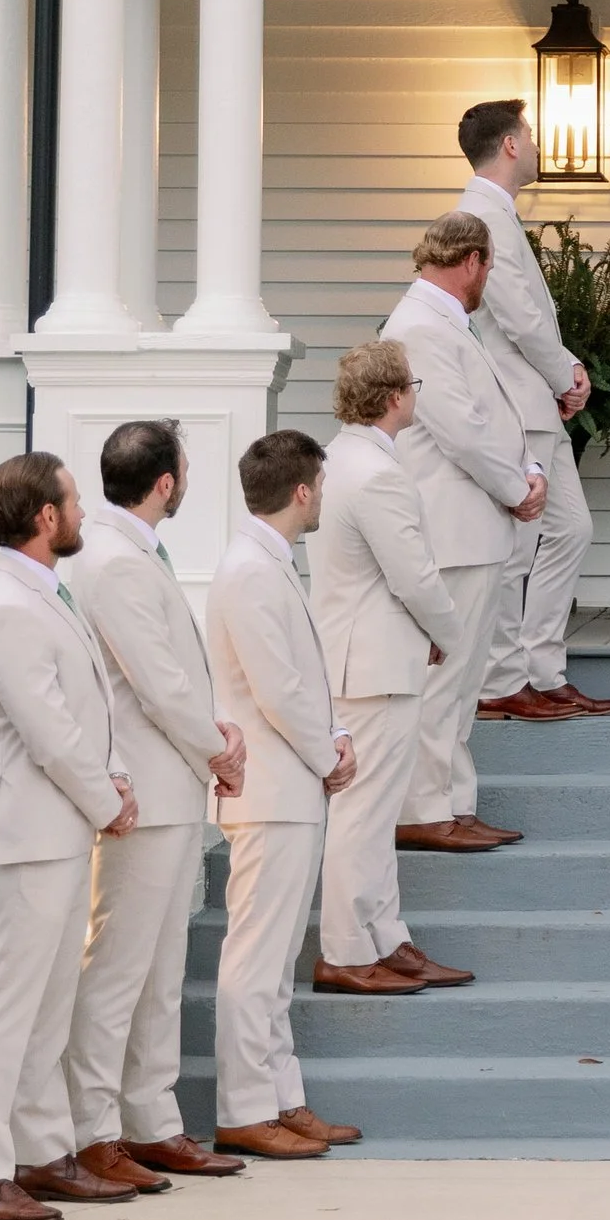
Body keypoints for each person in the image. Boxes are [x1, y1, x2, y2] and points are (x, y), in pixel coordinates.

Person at [0, 452, 138, 1220]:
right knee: (9, 1009)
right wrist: (107, 798)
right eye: (73, 499)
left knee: (50, 1007)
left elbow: (90, 706)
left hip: (62, 830)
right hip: (30, 832)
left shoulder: (46, 591)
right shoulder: (6, 605)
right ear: (44, 517)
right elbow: (49, 732)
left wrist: (115, 777)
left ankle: (41, 1152)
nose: (85, 510)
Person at [61, 419, 247, 1189]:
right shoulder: (114, 561)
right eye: (186, 468)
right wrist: (218, 744)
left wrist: (208, 743)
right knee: (121, 963)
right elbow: (157, 680)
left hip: (170, 785)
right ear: (165, 481)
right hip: (140, 786)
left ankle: (152, 1119)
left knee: (161, 964)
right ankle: (96, 1127)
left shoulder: (131, 552)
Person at [208, 429, 360, 1160]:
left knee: (277, 963)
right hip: (269, 789)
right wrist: (328, 749)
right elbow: (275, 687)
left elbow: (301, 677)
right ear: (302, 490)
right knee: (254, 959)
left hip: (290, 786)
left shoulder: (271, 564)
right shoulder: (248, 570)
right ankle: (243, 1108)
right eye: (321, 485)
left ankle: (283, 1097)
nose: (324, 495)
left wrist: (332, 734)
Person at [311, 343, 472, 996]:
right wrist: (452, 634)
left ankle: (385, 936)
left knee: (375, 812)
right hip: (373, 664)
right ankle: (347, 949)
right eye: (414, 383)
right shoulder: (375, 472)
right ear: (395, 396)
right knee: (365, 813)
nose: (416, 392)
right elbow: (413, 573)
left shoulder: (340, 456)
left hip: (368, 655)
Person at [455, 96, 610, 724]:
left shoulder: (497, 212)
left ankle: (543, 670)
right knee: (516, 548)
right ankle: (501, 680)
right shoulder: (479, 215)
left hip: (536, 401)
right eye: (533, 134)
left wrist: (569, 368)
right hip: (512, 403)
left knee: (571, 530)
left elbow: (530, 314)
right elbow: (517, 317)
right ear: (511, 145)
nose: (540, 145)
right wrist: (566, 374)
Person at [385, 213, 545, 855]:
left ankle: (453, 800)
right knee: (446, 679)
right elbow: (459, 429)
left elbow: (490, 418)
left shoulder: (446, 321)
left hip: (474, 526)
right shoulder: (421, 325)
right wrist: (518, 489)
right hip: (451, 528)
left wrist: (528, 468)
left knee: (464, 679)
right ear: (473, 261)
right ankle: (424, 807)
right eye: (489, 267)